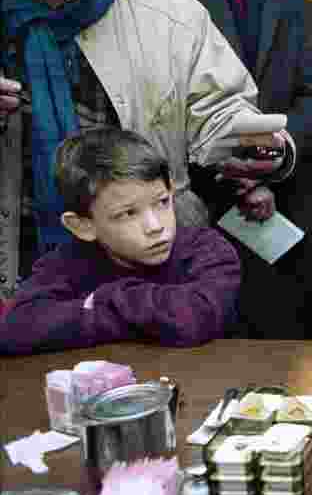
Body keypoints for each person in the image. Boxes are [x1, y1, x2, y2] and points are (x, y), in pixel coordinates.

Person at [0, 0, 293, 305]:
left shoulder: (170, 14)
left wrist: (254, 144)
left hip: (148, 268)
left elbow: (222, 112)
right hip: (16, 255)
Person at [167, 0, 312, 339]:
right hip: (207, 193)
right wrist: (239, 178)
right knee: (218, 328)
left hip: (291, 193)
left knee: (300, 330)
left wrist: (265, 168)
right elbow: (170, 101)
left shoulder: (299, 10)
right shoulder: (173, 5)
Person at [1, 130, 241, 354]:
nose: (156, 226)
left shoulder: (207, 250)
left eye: (162, 202)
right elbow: (16, 328)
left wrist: (102, 301)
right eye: (128, 213)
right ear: (83, 226)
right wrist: (146, 315)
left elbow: (194, 317)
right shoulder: (65, 262)